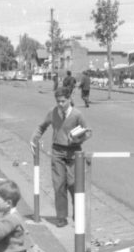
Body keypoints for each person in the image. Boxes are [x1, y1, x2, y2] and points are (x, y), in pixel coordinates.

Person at [31, 90, 91, 227]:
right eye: (58, 101)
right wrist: (34, 139)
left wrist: (78, 139)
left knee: (74, 185)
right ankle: (61, 217)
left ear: (69, 99)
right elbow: (42, 127)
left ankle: (78, 214)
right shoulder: (53, 112)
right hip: (57, 151)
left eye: (63, 101)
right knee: (59, 185)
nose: (60, 104)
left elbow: (88, 132)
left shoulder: (77, 114)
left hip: (73, 152)